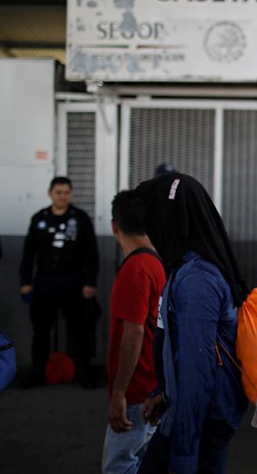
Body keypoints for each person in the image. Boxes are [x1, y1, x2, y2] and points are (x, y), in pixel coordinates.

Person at [135, 173, 249, 474]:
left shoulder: (197, 279)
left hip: (200, 419)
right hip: (194, 411)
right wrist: (166, 392)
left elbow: (198, 370)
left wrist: (183, 452)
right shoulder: (187, 268)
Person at [102, 191, 165, 474]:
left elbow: (134, 332)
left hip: (137, 390)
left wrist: (119, 393)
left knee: (120, 467)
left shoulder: (135, 268)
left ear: (115, 225)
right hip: (153, 383)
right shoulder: (156, 262)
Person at [19, 176, 99, 387]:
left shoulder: (80, 218)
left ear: (70, 194)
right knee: (41, 330)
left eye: (66, 192)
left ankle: (83, 373)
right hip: (44, 282)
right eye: (58, 192)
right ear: (50, 193)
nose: (62, 196)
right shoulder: (40, 218)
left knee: (79, 329)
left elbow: (92, 253)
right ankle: (38, 373)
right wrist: (25, 281)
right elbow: (29, 253)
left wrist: (90, 283)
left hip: (73, 282)